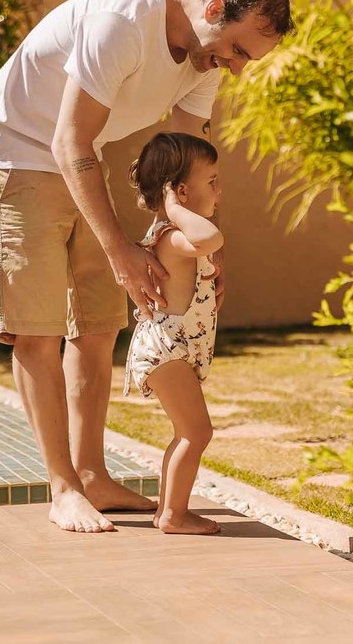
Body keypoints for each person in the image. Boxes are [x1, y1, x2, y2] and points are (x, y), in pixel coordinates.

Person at [0, 0, 292, 533]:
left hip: (82, 159)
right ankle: (63, 488)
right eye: (239, 50)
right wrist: (119, 249)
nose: (237, 66)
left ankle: (92, 475)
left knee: (97, 325)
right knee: (36, 330)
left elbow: (186, 167)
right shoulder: (120, 24)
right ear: (214, 10)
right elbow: (68, 139)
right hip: (16, 154)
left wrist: (203, 246)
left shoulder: (204, 61)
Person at [123, 133, 224, 534]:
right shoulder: (173, 236)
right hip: (167, 350)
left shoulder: (173, 234)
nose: (218, 190)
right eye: (211, 181)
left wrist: (175, 206)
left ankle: (168, 510)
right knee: (197, 431)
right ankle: (173, 515)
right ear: (181, 191)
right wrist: (176, 209)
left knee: (187, 431)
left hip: (172, 349)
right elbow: (212, 238)